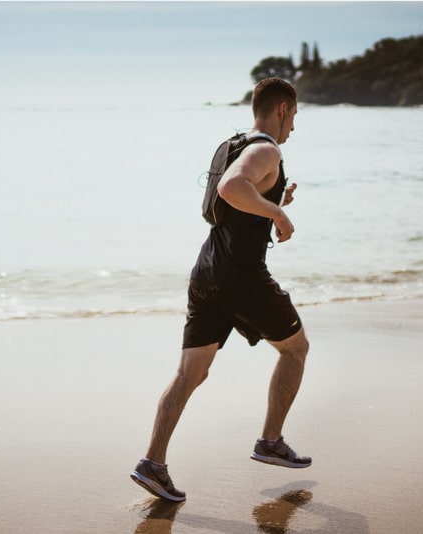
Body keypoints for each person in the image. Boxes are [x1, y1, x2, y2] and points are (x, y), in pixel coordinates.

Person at [130, 77, 311, 502]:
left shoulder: (229, 146)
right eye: (295, 117)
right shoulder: (267, 149)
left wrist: (270, 203)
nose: (294, 128)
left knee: (190, 374)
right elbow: (232, 189)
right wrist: (278, 216)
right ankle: (270, 441)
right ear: (282, 109)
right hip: (241, 277)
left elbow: (218, 207)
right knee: (296, 349)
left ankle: (152, 463)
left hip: (206, 272)